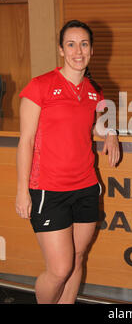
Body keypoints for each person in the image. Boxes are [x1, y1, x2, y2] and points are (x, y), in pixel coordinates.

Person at [15, 19, 120, 304]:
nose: (78, 50)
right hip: (48, 190)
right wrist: (22, 190)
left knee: (77, 258)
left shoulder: (93, 91)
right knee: (60, 269)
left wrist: (110, 132)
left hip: (86, 186)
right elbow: (25, 141)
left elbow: (95, 123)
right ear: (61, 50)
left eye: (84, 44)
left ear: (91, 50)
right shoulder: (40, 86)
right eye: (71, 44)